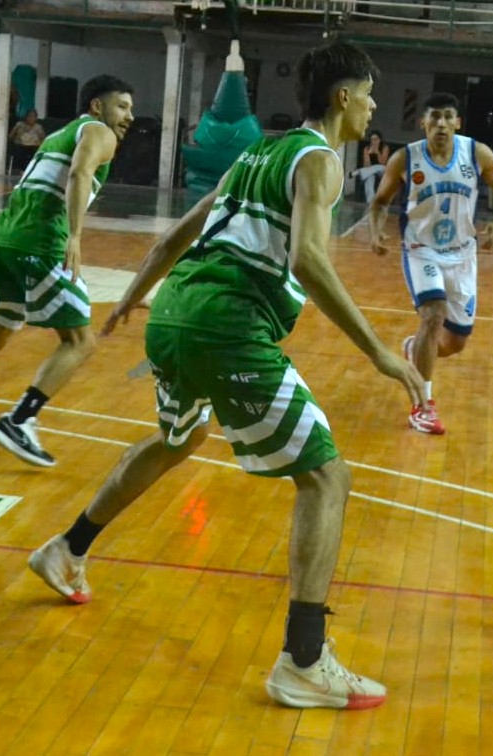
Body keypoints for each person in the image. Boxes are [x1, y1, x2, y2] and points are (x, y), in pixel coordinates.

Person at [25, 41, 424, 710]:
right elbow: (307, 261)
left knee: (181, 439)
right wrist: (381, 353)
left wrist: (133, 298)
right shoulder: (319, 160)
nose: (375, 106)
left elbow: (174, 234)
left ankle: (68, 548)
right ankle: (303, 660)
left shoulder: (253, 153)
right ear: (341, 98)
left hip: (174, 314)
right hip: (226, 325)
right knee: (327, 477)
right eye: (368, 94)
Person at [0, 75, 135, 467]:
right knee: (80, 341)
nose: (129, 116)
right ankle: (20, 419)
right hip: (40, 240)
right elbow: (80, 173)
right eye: (122, 106)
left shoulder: (59, 135)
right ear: (97, 107)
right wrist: (75, 236)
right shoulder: (99, 132)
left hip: (3, 238)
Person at [368, 92, 493, 434]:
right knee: (433, 314)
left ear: (458, 123)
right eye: (434, 117)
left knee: (454, 342)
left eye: (448, 116)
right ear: (423, 123)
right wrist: (376, 233)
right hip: (422, 250)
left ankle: (414, 348)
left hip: (463, 255)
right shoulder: (406, 158)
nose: (441, 123)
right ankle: (423, 405)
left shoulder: (475, 152)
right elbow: (380, 202)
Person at [350, 129, 389, 200]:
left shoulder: (384, 147)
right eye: (372, 139)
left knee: (378, 167)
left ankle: (359, 172)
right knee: (368, 177)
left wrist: (377, 152)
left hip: (383, 170)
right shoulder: (367, 148)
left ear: (380, 140)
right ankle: (370, 201)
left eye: (375, 139)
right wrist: (368, 154)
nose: (374, 141)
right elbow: (366, 166)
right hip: (370, 170)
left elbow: (383, 162)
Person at [8, 109, 46, 174]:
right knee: (21, 152)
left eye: (33, 116)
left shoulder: (38, 127)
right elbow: (11, 136)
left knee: (35, 153)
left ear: (36, 118)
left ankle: (32, 169)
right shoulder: (19, 125)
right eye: (29, 116)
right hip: (21, 145)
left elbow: (43, 138)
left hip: (34, 146)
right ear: (26, 117)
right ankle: (21, 170)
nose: (31, 118)